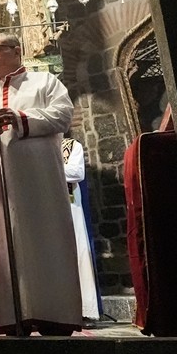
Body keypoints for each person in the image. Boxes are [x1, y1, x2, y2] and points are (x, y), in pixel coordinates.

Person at [0, 33, 81, 336]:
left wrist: (20, 118)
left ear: (16, 50)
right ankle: (16, 317)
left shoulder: (44, 82)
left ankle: (54, 314)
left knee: (46, 240)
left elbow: (63, 115)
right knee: (6, 242)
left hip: (40, 181)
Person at [62, 134, 101, 322]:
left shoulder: (71, 146)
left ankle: (84, 309)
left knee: (77, 253)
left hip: (70, 209)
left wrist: (45, 166)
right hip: (43, 208)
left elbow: (76, 173)